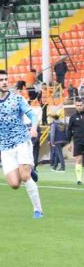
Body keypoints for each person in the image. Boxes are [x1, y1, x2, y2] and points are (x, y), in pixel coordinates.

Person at [0, 70, 44, 218]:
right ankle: (29, 171)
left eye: (6, 79)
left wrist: (33, 127)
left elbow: (32, 114)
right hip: (5, 147)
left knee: (24, 176)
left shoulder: (17, 99)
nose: (4, 82)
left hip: (21, 140)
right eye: (1, 80)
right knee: (14, 184)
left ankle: (38, 210)